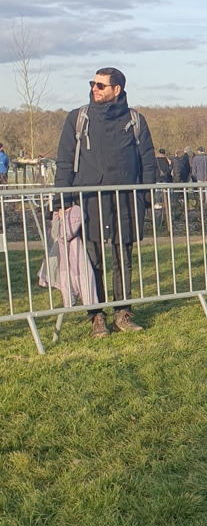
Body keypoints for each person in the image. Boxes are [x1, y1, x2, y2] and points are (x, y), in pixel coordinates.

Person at [54, 67, 156, 337]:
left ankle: (122, 313)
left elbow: (148, 162)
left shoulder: (136, 120)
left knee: (123, 260)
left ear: (117, 89)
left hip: (124, 202)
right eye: (93, 84)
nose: (94, 89)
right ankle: (96, 315)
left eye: (100, 85)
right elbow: (64, 162)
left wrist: (144, 199)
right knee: (92, 261)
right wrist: (60, 200)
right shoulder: (78, 118)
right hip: (88, 201)